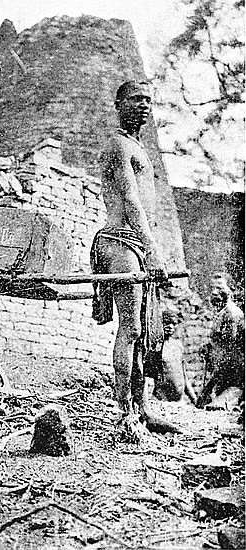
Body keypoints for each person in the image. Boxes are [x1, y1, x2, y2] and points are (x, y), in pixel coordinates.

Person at [90, 80, 181, 440]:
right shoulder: (118, 145)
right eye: (135, 99)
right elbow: (130, 202)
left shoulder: (138, 147)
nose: (143, 105)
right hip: (119, 241)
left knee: (142, 332)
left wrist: (151, 248)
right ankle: (124, 412)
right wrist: (153, 249)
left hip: (137, 243)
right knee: (130, 329)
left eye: (148, 100)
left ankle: (143, 408)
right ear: (118, 104)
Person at [197, 274, 244, 409]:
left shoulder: (232, 313)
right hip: (221, 366)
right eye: (212, 288)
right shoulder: (222, 312)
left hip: (230, 368)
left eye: (219, 288)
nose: (214, 292)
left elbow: (230, 345)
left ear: (231, 289)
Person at [151, 310, 197, 405]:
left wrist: (194, 399)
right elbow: (149, 378)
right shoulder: (156, 347)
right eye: (167, 323)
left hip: (179, 401)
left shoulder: (178, 345)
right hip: (162, 401)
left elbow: (184, 376)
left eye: (174, 324)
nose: (170, 326)